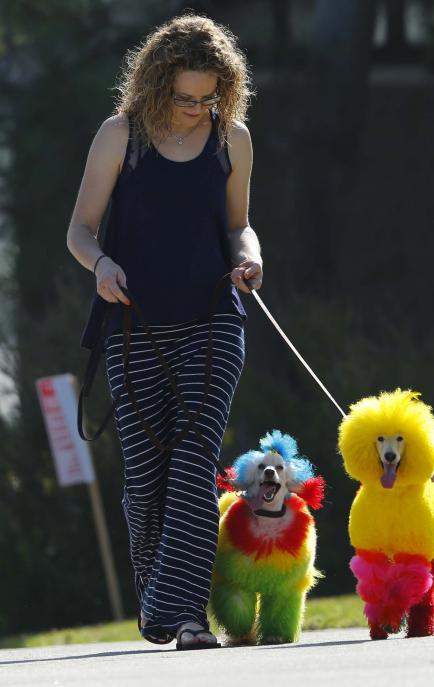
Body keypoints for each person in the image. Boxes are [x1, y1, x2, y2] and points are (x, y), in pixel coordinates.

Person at [67, 14, 262, 650]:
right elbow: (80, 230)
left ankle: (182, 615)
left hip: (212, 322)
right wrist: (101, 264)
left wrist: (251, 255)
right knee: (148, 474)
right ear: (157, 83)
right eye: (184, 97)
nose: (195, 109)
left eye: (208, 97)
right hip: (132, 325)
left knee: (194, 458)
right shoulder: (119, 136)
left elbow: (239, 225)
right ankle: (158, 600)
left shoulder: (233, 138)